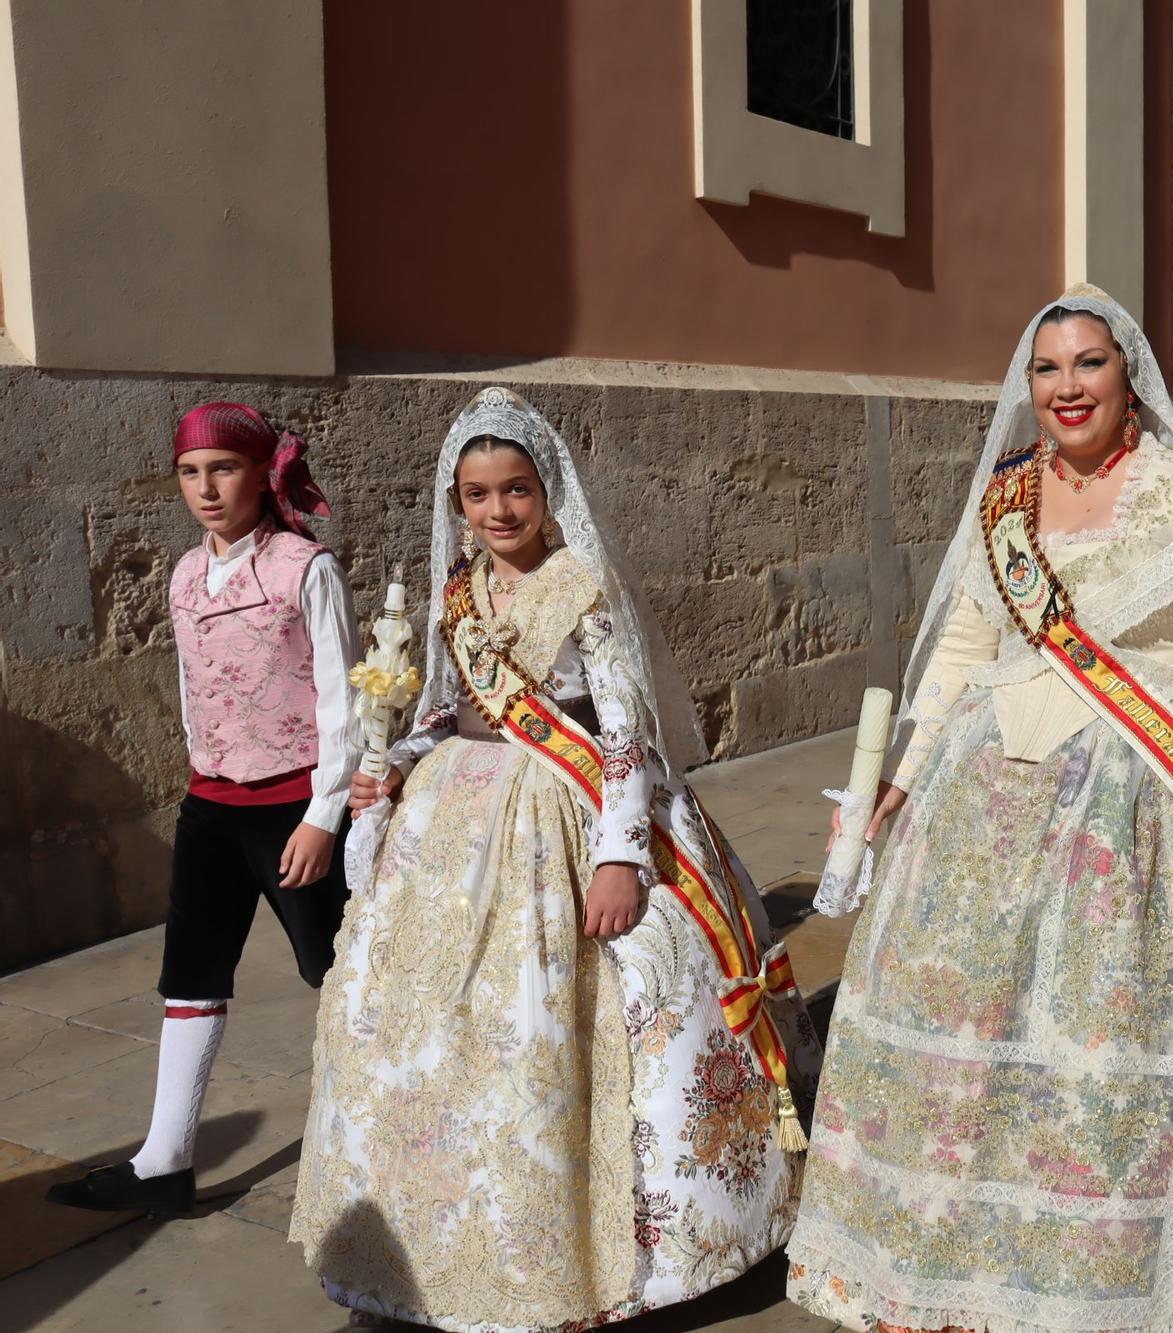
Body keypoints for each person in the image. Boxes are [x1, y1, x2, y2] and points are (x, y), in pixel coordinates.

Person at [786, 286, 1173, 1333]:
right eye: (1047, 369)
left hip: (1133, 805)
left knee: (1094, 1040)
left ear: (1128, 378)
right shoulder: (1005, 499)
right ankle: (944, 1261)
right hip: (984, 795)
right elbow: (964, 649)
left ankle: (1091, 1279)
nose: (1067, 387)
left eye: (1088, 364)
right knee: (955, 1024)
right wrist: (902, 770)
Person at [290, 388, 817, 1331]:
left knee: (578, 1024)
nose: (497, 512)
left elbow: (622, 729)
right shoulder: (455, 590)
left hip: (564, 813)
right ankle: (443, 1236)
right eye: (477, 494)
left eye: (516, 491)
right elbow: (439, 712)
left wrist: (620, 855)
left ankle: (604, 1245)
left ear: (548, 490)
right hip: (457, 817)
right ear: (456, 502)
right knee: (421, 1022)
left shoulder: (582, 585)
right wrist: (395, 768)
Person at [45, 405, 357, 1217]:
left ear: (263, 473)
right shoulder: (185, 574)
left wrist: (324, 814)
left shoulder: (303, 567)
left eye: (224, 468)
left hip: (296, 804)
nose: (207, 488)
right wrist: (203, 759)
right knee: (189, 975)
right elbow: (192, 684)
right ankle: (166, 1158)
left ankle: (377, 1141)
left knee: (340, 971)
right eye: (191, 471)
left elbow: (342, 699)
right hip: (212, 803)